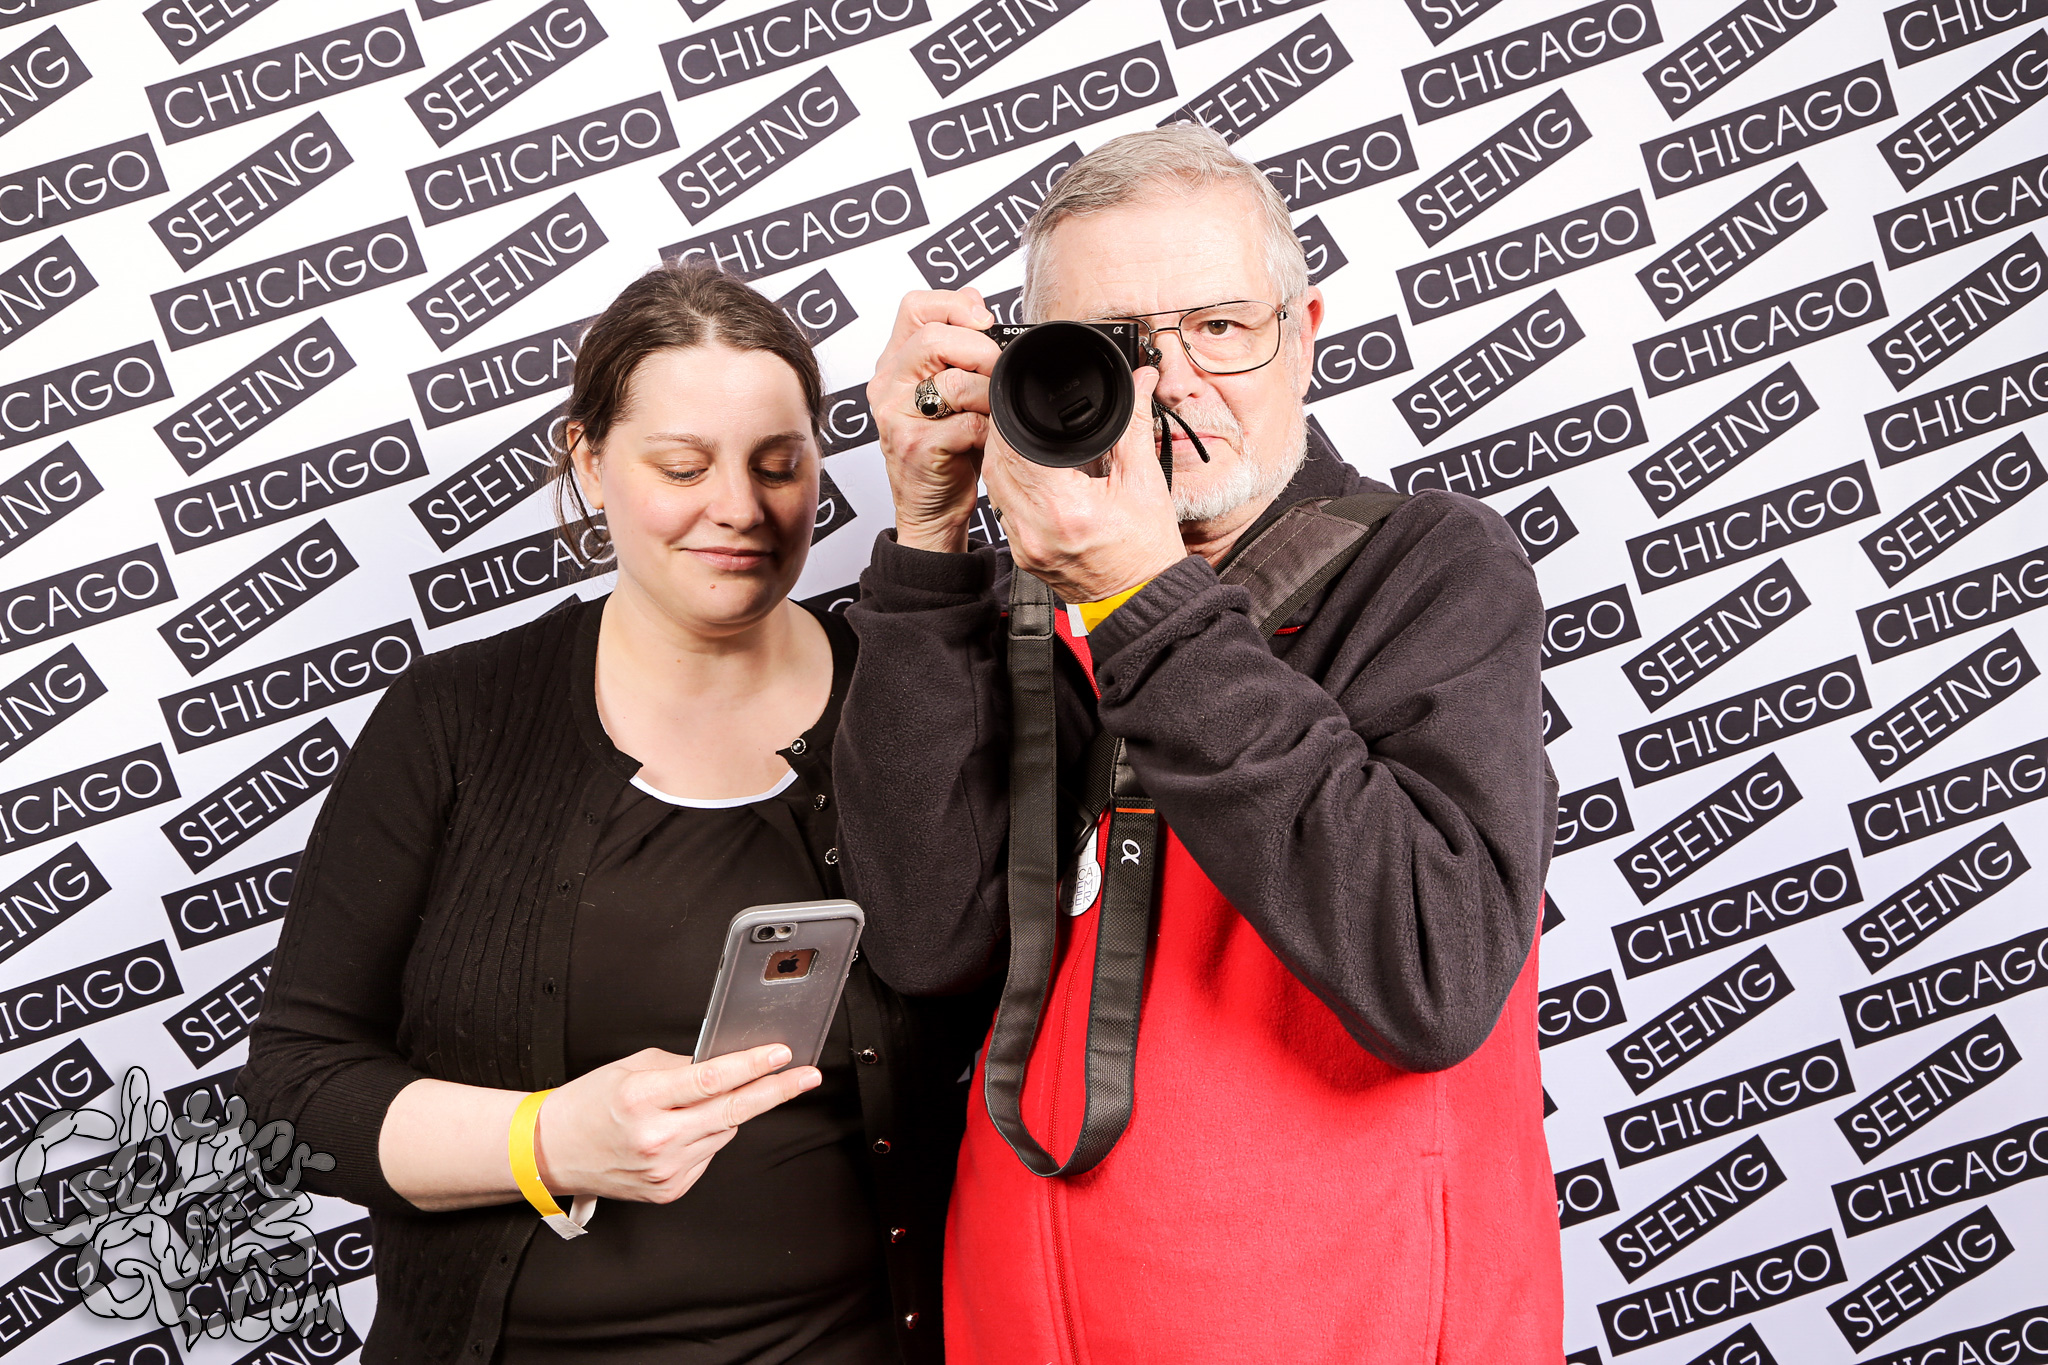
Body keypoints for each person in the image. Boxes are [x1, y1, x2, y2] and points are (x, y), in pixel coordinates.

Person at [836, 124, 1563, 1363]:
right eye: (1116, 344)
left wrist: (1140, 596)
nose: (1171, 385)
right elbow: (927, 941)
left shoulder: (1426, 565)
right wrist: (925, 538)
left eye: (1220, 327)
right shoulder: (1031, 603)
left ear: (1304, 333)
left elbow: (1431, 975)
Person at [240, 264, 975, 1365]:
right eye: (682, 467)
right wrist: (545, 1140)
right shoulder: (459, 717)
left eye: (779, 465)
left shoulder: (913, 689)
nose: (740, 508)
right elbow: (294, 1093)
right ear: (586, 461)